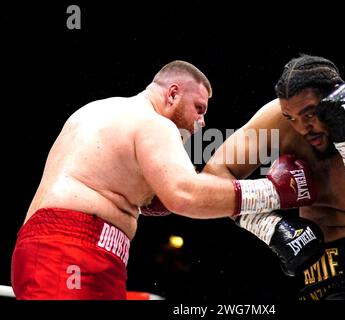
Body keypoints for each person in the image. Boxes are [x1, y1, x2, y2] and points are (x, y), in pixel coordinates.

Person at [11, 60, 322, 300]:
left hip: (59, 247)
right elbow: (185, 195)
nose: (201, 123)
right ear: (173, 93)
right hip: (71, 251)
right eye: (199, 109)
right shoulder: (154, 124)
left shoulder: (96, 111)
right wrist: (274, 191)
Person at [203, 53, 345, 300]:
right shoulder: (278, 122)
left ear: (335, 98)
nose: (301, 128)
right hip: (316, 274)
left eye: (309, 114)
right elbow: (213, 177)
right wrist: (267, 225)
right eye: (291, 117)